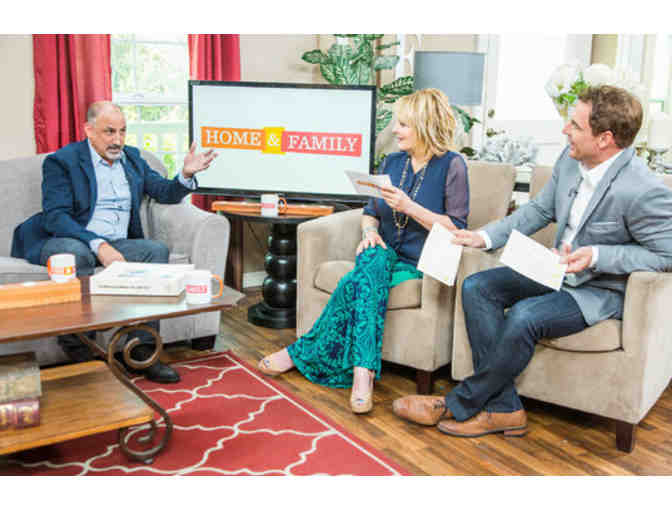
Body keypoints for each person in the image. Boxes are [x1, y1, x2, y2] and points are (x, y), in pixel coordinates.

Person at [392, 85, 672, 437]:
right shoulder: (570, 160)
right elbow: (539, 210)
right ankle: (505, 408)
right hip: (554, 270)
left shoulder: (642, 189)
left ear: (605, 139)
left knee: (525, 316)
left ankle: (456, 404)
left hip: (598, 289)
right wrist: (484, 237)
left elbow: (666, 254)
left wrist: (598, 256)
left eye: (575, 125)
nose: (565, 130)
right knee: (477, 287)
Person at [257, 88, 470, 413]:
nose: (395, 130)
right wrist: (369, 231)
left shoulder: (452, 166)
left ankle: (301, 354)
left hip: (418, 262)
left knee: (354, 283)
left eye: (403, 124)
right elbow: (371, 212)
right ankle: (363, 372)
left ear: (425, 125)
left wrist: (410, 207)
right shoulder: (392, 162)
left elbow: (456, 227)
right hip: (381, 252)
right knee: (371, 259)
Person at [11, 101, 217, 383]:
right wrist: (99, 245)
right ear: (89, 130)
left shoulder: (132, 159)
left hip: (116, 241)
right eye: (109, 132)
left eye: (122, 131)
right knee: (76, 254)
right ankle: (81, 352)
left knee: (155, 251)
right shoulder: (63, 161)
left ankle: (143, 350)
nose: (117, 140)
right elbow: (56, 217)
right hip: (66, 238)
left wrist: (186, 174)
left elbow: (163, 191)